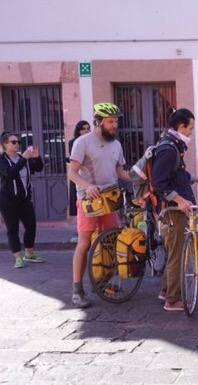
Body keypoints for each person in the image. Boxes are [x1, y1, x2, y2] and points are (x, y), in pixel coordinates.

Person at [68, 103, 130, 308]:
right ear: (99, 122)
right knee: (84, 243)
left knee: (111, 240)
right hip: (89, 201)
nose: (115, 126)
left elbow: (121, 172)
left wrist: (140, 178)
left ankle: (105, 282)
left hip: (110, 198)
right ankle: (77, 290)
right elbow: (72, 173)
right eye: (111, 122)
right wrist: (88, 186)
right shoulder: (82, 142)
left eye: (116, 122)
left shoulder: (116, 144)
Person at [151, 108, 198, 312]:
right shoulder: (169, 149)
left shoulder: (172, 145)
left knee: (173, 252)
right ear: (181, 126)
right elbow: (159, 183)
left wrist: (194, 179)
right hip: (173, 212)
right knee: (177, 255)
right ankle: (173, 300)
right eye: (190, 128)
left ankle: (166, 291)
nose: (191, 133)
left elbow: (176, 174)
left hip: (172, 210)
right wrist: (179, 200)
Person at [0, 132, 45, 268]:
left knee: (31, 226)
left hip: (24, 199)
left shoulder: (21, 157)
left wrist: (37, 158)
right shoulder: (2, 160)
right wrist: (24, 159)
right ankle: (18, 257)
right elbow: (10, 174)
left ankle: (29, 253)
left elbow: (38, 168)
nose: (17, 144)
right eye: (13, 142)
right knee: (12, 229)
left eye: (18, 142)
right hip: (7, 200)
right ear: (4, 145)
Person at [67, 121, 91, 217]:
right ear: (79, 130)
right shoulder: (73, 142)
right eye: (83, 129)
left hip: (90, 174)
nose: (86, 131)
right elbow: (76, 159)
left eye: (88, 128)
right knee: (80, 201)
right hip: (78, 174)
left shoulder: (91, 142)